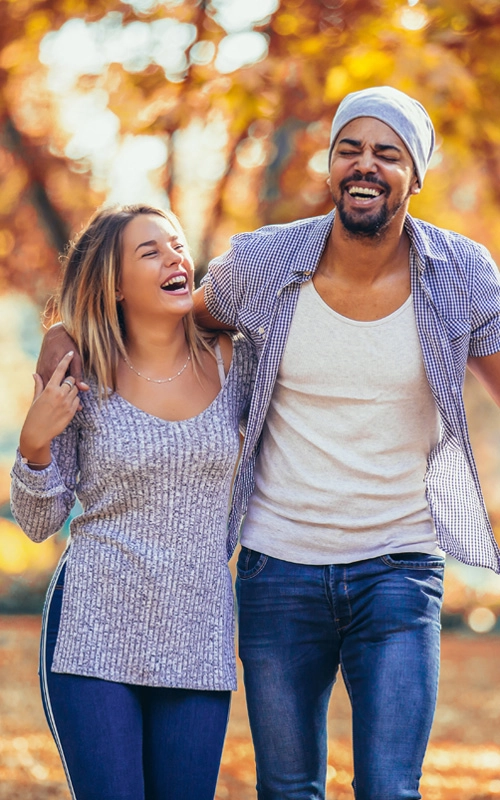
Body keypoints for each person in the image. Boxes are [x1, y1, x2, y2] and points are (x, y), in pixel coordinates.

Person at [36, 87, 500, 800]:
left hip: (396, 565)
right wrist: (67, 337)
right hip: (275, 570)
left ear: (416, 173)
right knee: (286, 790)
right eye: (350, 148)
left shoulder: (460, 273)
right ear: (329, 164)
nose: (365, 165)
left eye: (387, 153)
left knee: (391, 788)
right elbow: (173, 310)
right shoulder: (264, 264)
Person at [10, 204, 256, 800]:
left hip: (197, 632)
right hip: (94, 628)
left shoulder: (237, 361)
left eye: (177, 245)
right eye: (151, 251)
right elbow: (40, 522)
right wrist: (34, 442)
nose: (175, 257)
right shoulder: (80, 371)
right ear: (114, 284)